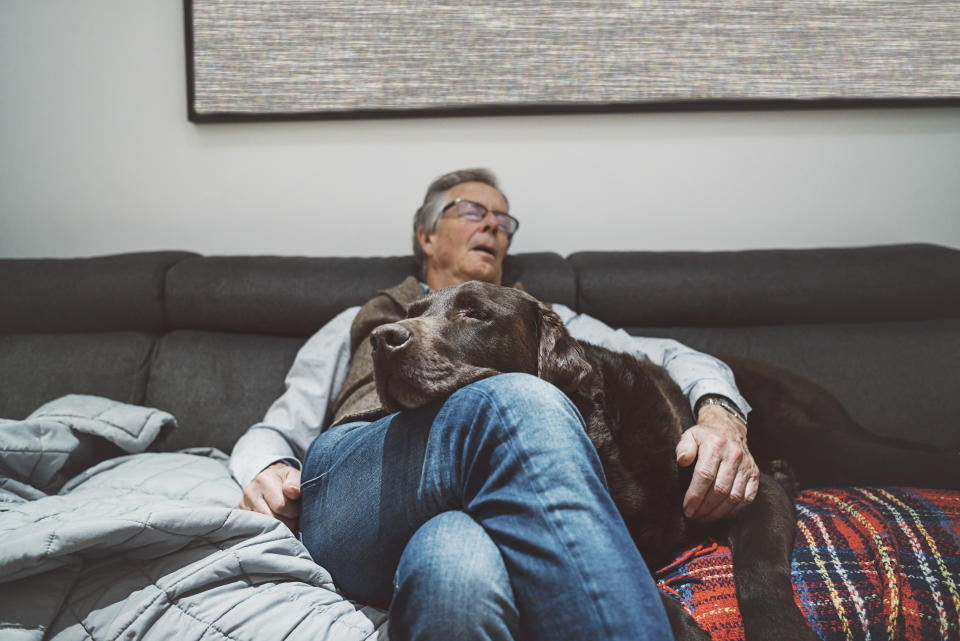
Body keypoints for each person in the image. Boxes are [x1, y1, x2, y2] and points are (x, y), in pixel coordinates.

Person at [230, 168, 758, 641]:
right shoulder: (360, 319)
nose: (493, 226)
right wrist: (268, 467)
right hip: (365, 488)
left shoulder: (541, 317)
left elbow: (671, 355)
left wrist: (719, 415)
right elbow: (279, 426)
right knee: (519, 398)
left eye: (503, 219)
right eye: (473, 211)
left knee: (456, 570)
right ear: (427, 235)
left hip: (481, 506)